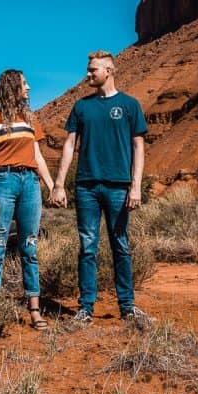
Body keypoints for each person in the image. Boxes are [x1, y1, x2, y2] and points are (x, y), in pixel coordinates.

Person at [49, 50, 149, 324]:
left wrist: (136, 187)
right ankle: (85, 309)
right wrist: (59, 184)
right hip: (86, 187)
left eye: (93, 70)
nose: (88, 74)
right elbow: (69, 144)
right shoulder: (82, 106)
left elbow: (138, 147)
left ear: (109, 71)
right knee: (88, 246)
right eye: (88, 69)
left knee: (121, 245)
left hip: (119, 187)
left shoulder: (130, 105)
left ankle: (127, 307)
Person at [0, 69, 54, 330]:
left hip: (30, 183)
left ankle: (34, 308)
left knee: (29, 247)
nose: (29, 88)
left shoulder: (30, 118)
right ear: (12, 87)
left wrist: (53, 186)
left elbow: (38, 156)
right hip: (3, 182)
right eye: (24, 83)